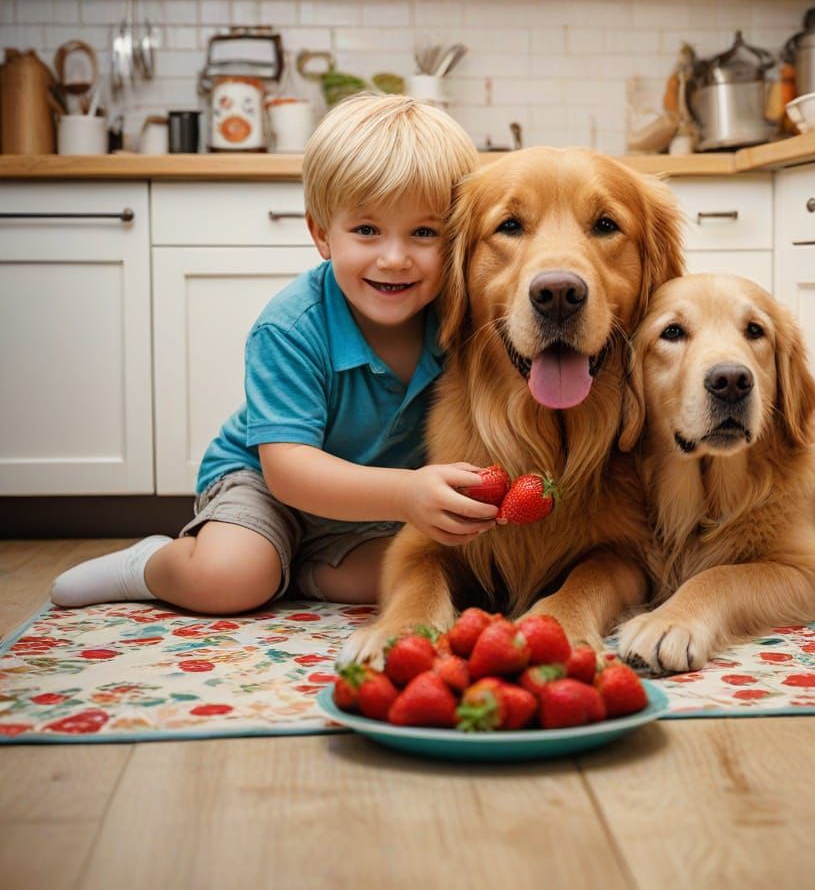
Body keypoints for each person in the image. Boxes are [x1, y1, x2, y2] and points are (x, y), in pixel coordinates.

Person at [51, 93, 497, 614]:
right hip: (265, 485)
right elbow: (289, 470)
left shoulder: (457, 318)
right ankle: (151, 564)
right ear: (321, 235)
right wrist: (405, 493)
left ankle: (295, 569)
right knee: (229, 580)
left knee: (446, 578)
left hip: (373, 508)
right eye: (367, 230)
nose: (394, 258)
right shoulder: (290, 327)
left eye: (424, 232)